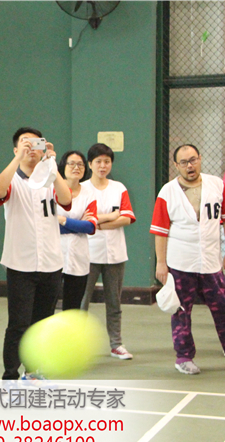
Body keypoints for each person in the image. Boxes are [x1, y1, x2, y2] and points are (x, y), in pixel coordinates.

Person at [150, 144, 225, 375]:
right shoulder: (167, 192)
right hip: (181, 262)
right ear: (176, 165)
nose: (190, 166)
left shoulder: (217, 185)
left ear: (200, 159)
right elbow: (160, 230)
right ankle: (184, 357)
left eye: (193, 160)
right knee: (181, 311)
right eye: (184, 162)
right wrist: (161, 263)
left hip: (211, 262)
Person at [0, 127, 73, 384]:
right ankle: (10, 377)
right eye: (25, 144)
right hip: (20, 264)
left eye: (36, 144)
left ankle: (35, 371)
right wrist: (18, 159)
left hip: (51, 263)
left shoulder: (49, 179)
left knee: (43, 323)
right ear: (16, 149)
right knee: (18, 324)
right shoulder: (13, 179)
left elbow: (66, 199)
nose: (31, 149)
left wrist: (52, 166)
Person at [80, 143, 136, 359]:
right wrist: (111, 216)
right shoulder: (82, 189)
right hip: (87, 253)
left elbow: (127, 218)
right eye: (98, 162)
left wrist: (98, 223)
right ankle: (78, 344)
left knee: (114, 302)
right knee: (82, 302)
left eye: (107, 161)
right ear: (90, 164)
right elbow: (83, 219)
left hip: (115, 254)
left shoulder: (119, 188)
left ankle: (116, 344)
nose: (103, 166)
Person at [56, 150, 97, 310]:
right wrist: (77, 225)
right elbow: (48, 225)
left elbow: (89, 226)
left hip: (78, 256)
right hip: (54, 253)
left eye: (80, 164)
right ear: (63, 166)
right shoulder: (52, 189)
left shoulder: (89, 194)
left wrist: (62, 220)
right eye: (71, 164)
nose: (76, 167)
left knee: (72, 307)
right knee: (47, 305)